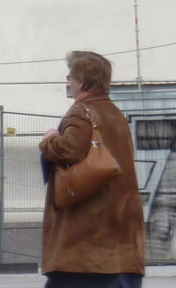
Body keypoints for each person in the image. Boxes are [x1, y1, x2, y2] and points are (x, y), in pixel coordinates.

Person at [38, 51, 146, 288]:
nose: (69, 83)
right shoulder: (115, 113)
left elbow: (70, 150)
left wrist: (49, 139)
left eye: (70, 77)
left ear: (82, 82)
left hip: (86, 230)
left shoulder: (81, 111)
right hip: (119, 222)